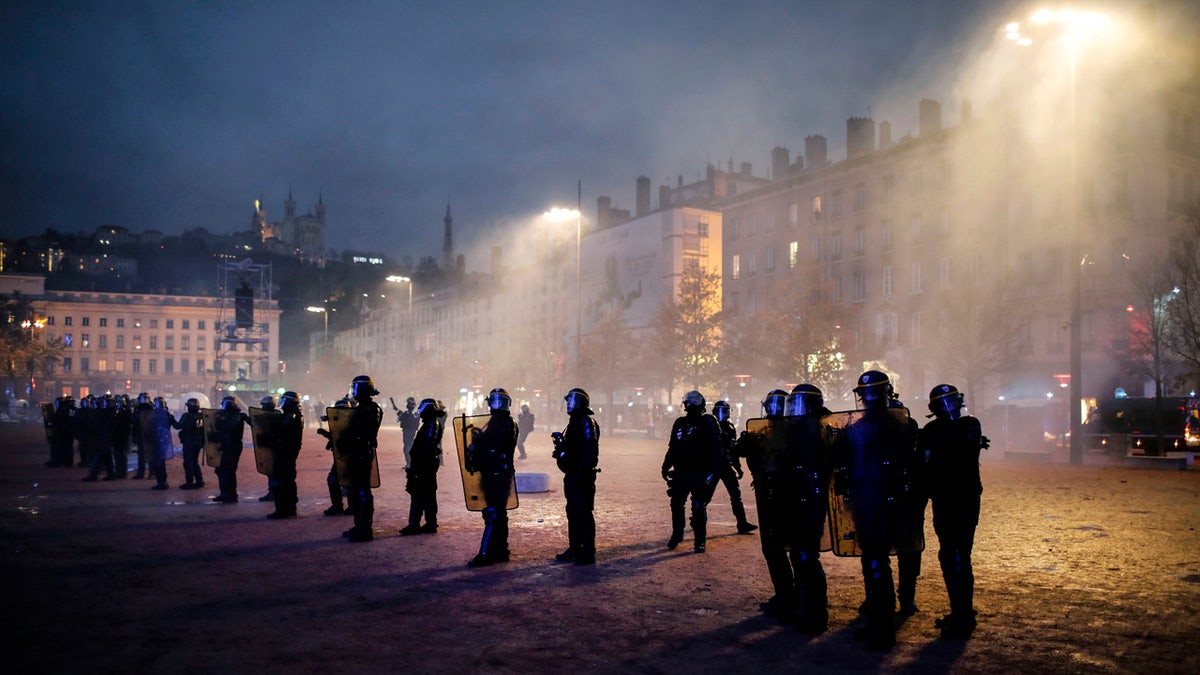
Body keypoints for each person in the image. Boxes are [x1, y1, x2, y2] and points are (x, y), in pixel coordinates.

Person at [835, 370, 917, 650]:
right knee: (877, 562)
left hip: (875, 503)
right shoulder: (903, 425)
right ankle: (882, 617)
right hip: (887, 502)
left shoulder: (864, 428)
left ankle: (881, 626)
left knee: (875, 563)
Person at [921, 384, 987, 639]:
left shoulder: (969, 425)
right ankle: (959, 610)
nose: (950, 408)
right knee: (949, 556)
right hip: (944, 498)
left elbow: (959, 450)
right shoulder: (935, 429)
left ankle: (964, 613)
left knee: (959, 556)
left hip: (964, 497)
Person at [661, 390, 724, 553]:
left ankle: (699, 540)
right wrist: (666, 464)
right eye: (689, 402)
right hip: (681, 470)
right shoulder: (680, 423)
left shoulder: (709, 421)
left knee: (698, 506)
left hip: (700, 471)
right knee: (676, 503)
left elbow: (717, 448)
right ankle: (677, 534)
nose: (691, 405)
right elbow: (673, 446)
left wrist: (713, 471)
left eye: (694, 402)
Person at [465, 387, 518, 567]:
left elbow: (492, 449)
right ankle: (501, 550)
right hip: (500, 473)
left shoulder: (499, 424)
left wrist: (477, 444)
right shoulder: (505, 422)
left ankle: (486, 553)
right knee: (500, 513)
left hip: (495, 474)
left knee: (493, 513)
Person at [552, 388, 600, 565]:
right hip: (572, 475)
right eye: (568, 402)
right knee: (572, 511)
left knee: (584, 513)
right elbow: (575, 448)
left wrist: (581, 471)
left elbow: (590, 451)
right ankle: (575, 548)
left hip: (582, 476)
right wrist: (561, 448)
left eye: (572, 402)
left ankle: (587, 552)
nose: (569, 405)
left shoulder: (587, 422)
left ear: (581, 403)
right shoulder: (574, 422)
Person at [340, 375, 383, 542]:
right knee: (356, 491)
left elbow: (363, 434)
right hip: (357, 452)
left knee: (363, 491)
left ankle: (365, 529)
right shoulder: (365, 408)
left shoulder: (370, 409)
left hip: (361, 452)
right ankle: (359, 525)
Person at [399, 398, 445, 535]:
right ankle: (430, 523)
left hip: (424, 465)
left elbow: (427, 446)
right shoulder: (431, 424)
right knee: (428, 494)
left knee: (419, 493)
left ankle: (415, 524)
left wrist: (417, 467)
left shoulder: (432, 425)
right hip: (426, 464)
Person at [711, 400, 757, 535]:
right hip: (712, 466)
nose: (722, 415)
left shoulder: (730, 427)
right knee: (704, 496)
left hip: (725, 466)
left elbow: (732, 450)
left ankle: (742, 523)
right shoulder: (709, 426)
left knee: (736, 495)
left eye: (724, 412)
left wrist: (737, 467)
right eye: (720, 412)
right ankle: (696, 519)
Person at [268, 391, 304, 519]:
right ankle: (290, 507)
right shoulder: (293, 414)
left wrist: (269, 440)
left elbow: (282, 435)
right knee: (288, 480)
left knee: (281, 480)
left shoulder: (291, 416)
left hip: (285, 451)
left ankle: (282, 509)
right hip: (288, 451)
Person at [317, 398, 354, 516]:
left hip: (349, 455)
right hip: (342, 454)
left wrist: (326, 434)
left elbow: (341, 439)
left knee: (343, 480)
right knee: (336, 480)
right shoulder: (345, 421)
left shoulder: (350, 423)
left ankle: (346, 506)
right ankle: (340, 506)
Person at [212, 396, 248, 503]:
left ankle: (228, 495)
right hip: (228, 446)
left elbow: (228, 427)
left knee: (226, 471)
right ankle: (228, 494)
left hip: (232, 446)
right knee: (226, 471)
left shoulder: (235, 416)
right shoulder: (231, 415)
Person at [174, 398, 205, 489]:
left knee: (188, 463)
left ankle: (189, 482)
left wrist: (171, 419)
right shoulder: (202, 416)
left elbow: (178, 426)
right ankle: (199, 480)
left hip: (189, 442)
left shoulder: (187, 416)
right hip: (198, 442)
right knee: (195, 461)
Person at [257, 395, 278, 502]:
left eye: (264, 405)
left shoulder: (272, 416)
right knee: (271, 471)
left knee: (272, 471)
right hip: (270, 446)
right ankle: (273, 492)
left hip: (273, 447)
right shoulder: (275, 415)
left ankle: (274, 492)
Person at [131, 393, 153, 479]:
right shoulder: (138, 409)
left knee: (150, 455)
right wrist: (134, 435)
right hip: (140, 433)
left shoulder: (150, 408)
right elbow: (135, 423)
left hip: (148, 435)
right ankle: (141, 473)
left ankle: (152, 472)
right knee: (141, 455)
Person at [397, 396, 418, 469]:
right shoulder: (412, 413)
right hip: (410, 431)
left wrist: (401, 415)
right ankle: (409, 463)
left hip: (408, 432)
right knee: (408, 447)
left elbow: (406, 421)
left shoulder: (411, 413)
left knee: (407, 448)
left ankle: (409, 463)